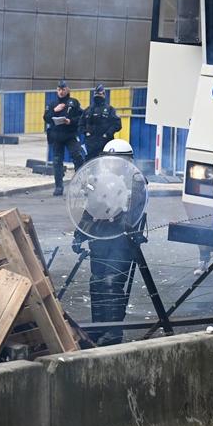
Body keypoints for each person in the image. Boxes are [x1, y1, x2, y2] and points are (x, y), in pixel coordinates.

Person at [71, 139, 146, 345]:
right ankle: (98, 329)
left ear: (126, 160)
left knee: (112, 283)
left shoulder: (136, 181)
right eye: (109, 159)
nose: (113, 164)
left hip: (121, 241)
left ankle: (113, 333)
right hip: (100, 238)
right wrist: (80, 234)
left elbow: (133, 214)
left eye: (117, 160)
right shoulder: (99, 180)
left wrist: (118, 225)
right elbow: (90, 209)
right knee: (97, 282)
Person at [44, 79, 85, 196]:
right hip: (57, 136)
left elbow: (81, 118)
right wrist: (54, 111)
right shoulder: (52, 104)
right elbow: (46, 118)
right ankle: (58, 186)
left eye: (63, 89)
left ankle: (81, 184)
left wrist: (70, 121)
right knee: (57, 162)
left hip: (70, 135)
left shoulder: (73, 102)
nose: (61, 92)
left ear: (67, 89)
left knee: (78, 157)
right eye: (59, 89)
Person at [81, 84, 122, 160]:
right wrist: (86, 133)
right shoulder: (88, 110)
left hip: (105, 143)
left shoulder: (110, 109)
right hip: (90, 144)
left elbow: (117, 124)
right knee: (90, 164)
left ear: (104, 94)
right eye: (97, 93)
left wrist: (107, 134)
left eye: (100, 93)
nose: (98, 95)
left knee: (106, 164)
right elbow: (80, 125)